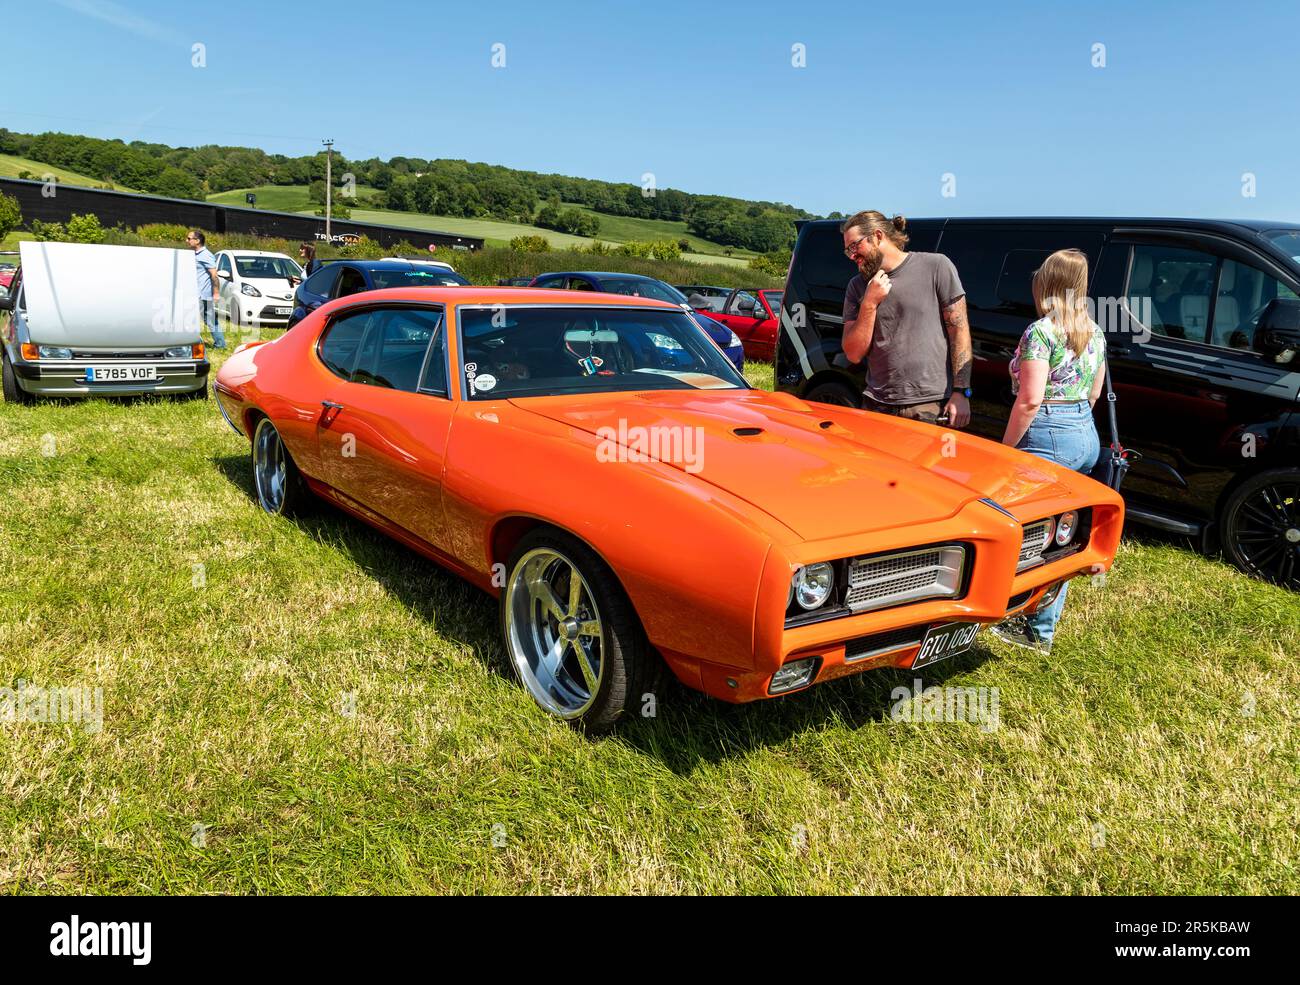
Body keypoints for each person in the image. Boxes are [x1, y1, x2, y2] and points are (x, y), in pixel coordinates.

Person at [992, 248, 1107, 653]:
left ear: (1049, 284)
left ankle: (1023, 622)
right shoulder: (1095, 331)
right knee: (1064, 534)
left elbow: (1029, 400)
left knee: (1027, 530)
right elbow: (1094, 393)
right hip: (1084, 433)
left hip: (1047, 434)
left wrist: (1006, 451)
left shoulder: (1040, 332)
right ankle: (1041, 628)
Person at [840, 211, 972, 426]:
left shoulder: (936, 266)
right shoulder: (857, 286)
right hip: (877, 404)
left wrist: (961, 392)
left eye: (854, 246)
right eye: (848, 250)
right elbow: (853, 354)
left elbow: (959, 331)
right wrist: (869, 304)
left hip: (930, 405)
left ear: (877, 236)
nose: (852, 255)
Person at [186, 230, 225, 350]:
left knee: (208, 320)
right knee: (208, 319)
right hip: (195, 293)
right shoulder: (195, 254)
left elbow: (214, 275)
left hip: (203, 295)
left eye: (189, 238)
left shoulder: (206, 255)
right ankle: (219, 343)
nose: (186, 241)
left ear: (197, 241)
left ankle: (220, 344)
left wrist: (216, 293)